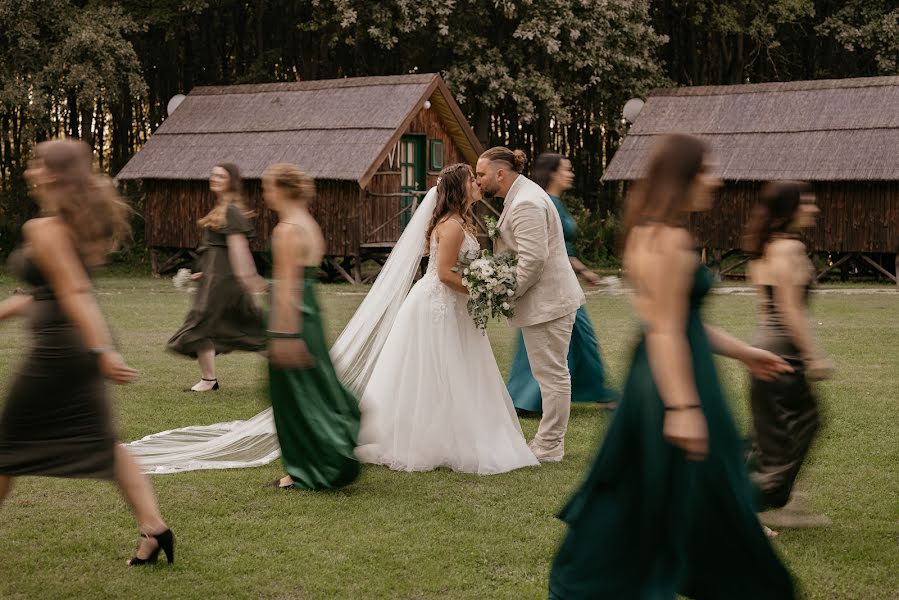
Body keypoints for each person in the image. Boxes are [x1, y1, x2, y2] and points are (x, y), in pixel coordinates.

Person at [548, 134, 796, 599]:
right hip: (674, 380)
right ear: (683, 176)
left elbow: (680, 322)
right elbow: (664, 330)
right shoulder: (668, 240)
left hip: (669, 369)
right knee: (684, 485)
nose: (716, 180)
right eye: (707, 171)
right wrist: (683, 407)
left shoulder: (650, 232)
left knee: (656, 484)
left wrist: (746, 352)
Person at [0, 140, 174, 566]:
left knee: (5, 448)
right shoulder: (72, 226)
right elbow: (46, 293)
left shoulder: (44, 230)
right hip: (78, 349)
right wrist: (99, 350)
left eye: (36, 164)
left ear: (55, 174)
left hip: (59, 352)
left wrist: (102, 350)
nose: (29, 171)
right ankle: (154, 529)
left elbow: (75, 292)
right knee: (105, 444)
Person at [354, 163, 539, 475]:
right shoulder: (452, 225)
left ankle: (448, 434)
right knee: (434, 371)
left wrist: (482, 281)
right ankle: (424, 439)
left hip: (453, 305)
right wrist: (480, 290)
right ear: (459, 188)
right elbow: (443, 274)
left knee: (454, 370)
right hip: (437, 306)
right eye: (472, 180)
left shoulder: (460, 222)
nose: (477, 183)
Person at [476, 147, 585, 462]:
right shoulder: (522, 195)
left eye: (482, 174)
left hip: (548, 303)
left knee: (552, 374)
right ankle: (548, 441)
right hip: (547, 301)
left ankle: (550, 445)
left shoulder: (526, 203)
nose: (479, 180)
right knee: (550, 373)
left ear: (500, 173)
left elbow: (533, 260)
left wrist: (504, 292)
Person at [262, 164, 361, 490]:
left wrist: (284, 336)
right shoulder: (309, 223)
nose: (265, 194)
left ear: (283, 190)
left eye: (268, 187)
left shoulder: (287, 229)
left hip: (293, 321)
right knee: (316, 387)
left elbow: (287, 287)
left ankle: (305, 468)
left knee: (293, 396)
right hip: (312, 315)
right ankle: (321, 456)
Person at [743, 181, 833, 526]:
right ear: (789, 209)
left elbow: (767, 308)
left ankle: (781, 502)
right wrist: (813, 356)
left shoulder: (765, 247)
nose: (813, 208)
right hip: (784, 349)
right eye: (807, 203)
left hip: (763, 342)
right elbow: (790, 308)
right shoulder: (789, 249)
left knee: (771, 432)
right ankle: (761, 501)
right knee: (805, 421)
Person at [506, 153, 619, 414]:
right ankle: (597, 394)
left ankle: (530, 398)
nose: (571, 174)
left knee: (568, 342)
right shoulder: (545, 202)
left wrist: (584, 270)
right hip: (554, 286)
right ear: (553, 172)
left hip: (565, 281)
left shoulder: (556, 202)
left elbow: (563, 249)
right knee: (580, 339)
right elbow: (546, 251)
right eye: (566, 169)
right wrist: (582, 269)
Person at [167, 163, 266, 392]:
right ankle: (208, 380)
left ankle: (290, 368)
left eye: (221, 175)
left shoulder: (231, 210)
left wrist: (248, 277)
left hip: (224, 282)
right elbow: (217, 249)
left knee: (238, 326)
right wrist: (204, 272)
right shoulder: (221, 207)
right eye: (213, 174)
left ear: (231, 181)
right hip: (214, 278)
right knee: (210, 325)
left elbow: (239, 248)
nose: (214, 178)